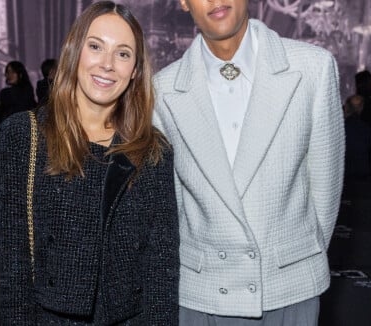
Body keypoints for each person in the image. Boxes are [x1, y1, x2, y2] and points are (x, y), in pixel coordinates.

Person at [153, 0, 344, 324]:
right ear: (184, 3)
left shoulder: (313, 68)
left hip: (287, 292)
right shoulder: (161, 89)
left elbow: (326, 188)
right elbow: (170, 205)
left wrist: (292, 262)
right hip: (204, 294)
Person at [0, 1, 179, 324]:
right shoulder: (23, 135)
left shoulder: (153, 151)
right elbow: (14, 267)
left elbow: (160, 268)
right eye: (95, 47)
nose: (107, 64)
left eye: (123, 54)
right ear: (75, 52)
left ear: (134, 70)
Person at [344, 95, 371, 180]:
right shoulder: (366, 128)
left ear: (346, 107)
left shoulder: (339, 128)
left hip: (344, 172)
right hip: (362, 171)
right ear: (361, 108)